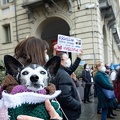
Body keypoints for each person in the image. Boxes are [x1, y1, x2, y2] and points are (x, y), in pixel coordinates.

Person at [0, 36, 62, 119]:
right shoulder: (8, 101)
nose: (46, 56)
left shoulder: (50, 95)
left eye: (42, 72)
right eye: (45, 52)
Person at [51, 51, 82, 120]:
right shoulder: (63, 75)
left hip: (63, 110)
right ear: (61, 60)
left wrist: (78, 58)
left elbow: (71, 69)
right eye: (67, 59)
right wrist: (78, 105)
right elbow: (65, 98)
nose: (69, 61)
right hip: (69, 113)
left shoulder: (58, 71)